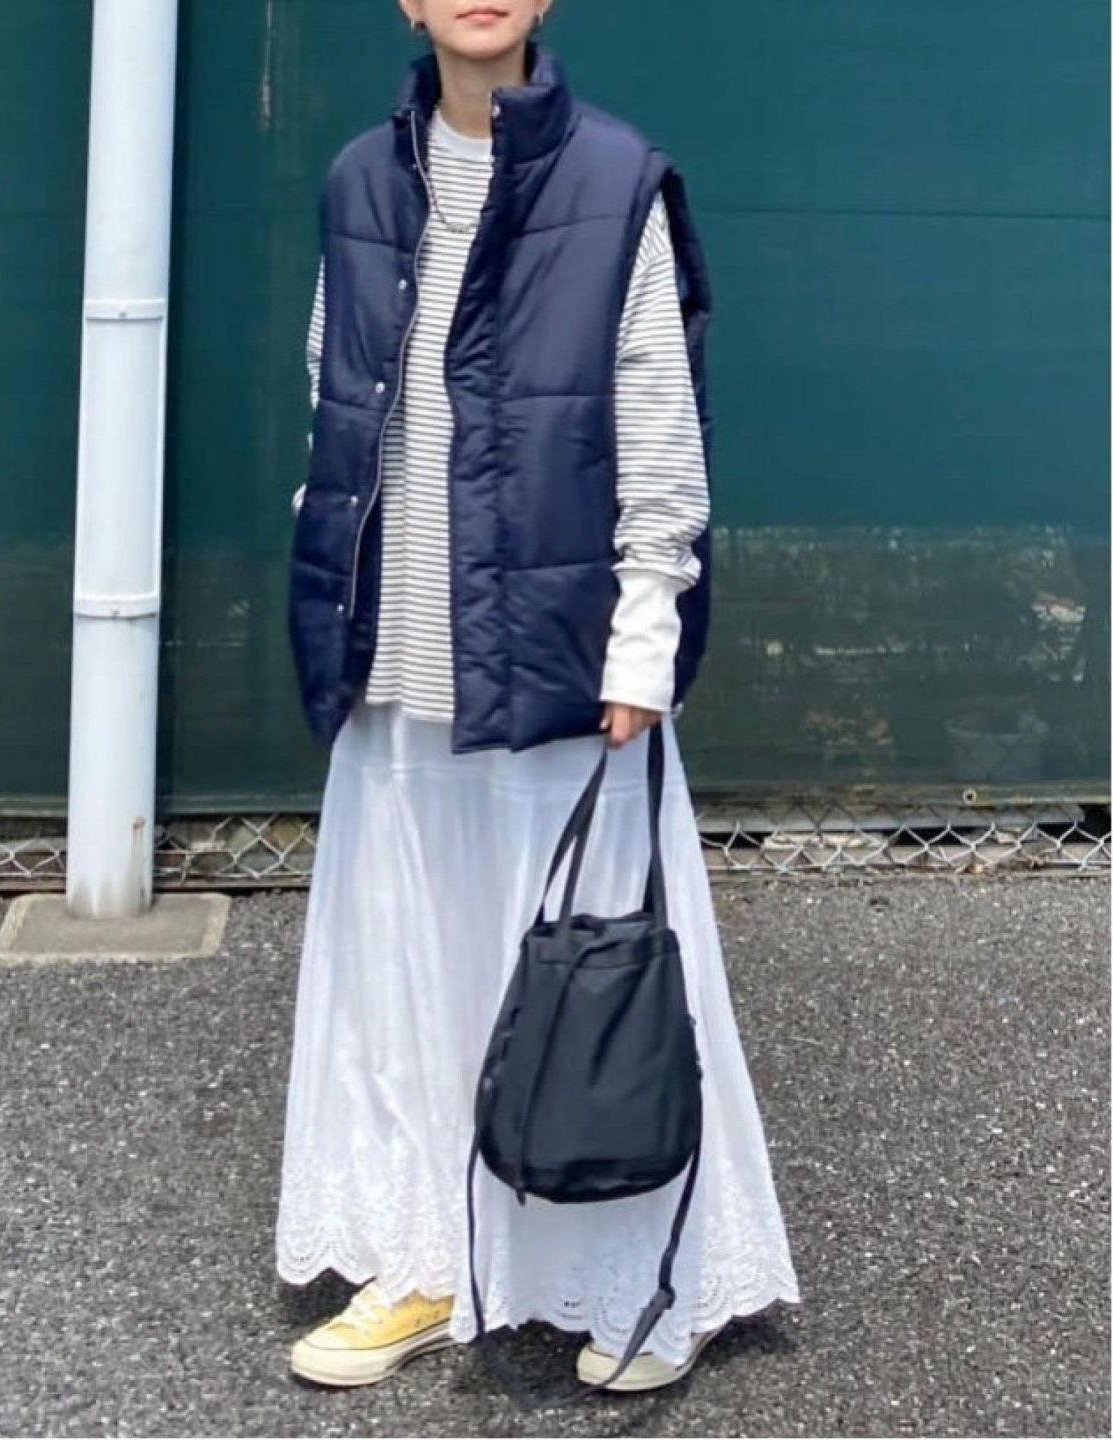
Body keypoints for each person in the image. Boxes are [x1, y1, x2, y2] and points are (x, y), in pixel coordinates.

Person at [276, 0, 800, 1394]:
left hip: (560, 652)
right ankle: (423, 1256)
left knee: (596, 977)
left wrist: (644, 634)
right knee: (409, 965)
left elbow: (657, 416)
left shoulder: (616, 178)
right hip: (399, 650)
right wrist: (332, 596)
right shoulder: (359, 180)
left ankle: (646, 1282)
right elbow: (332, 404)